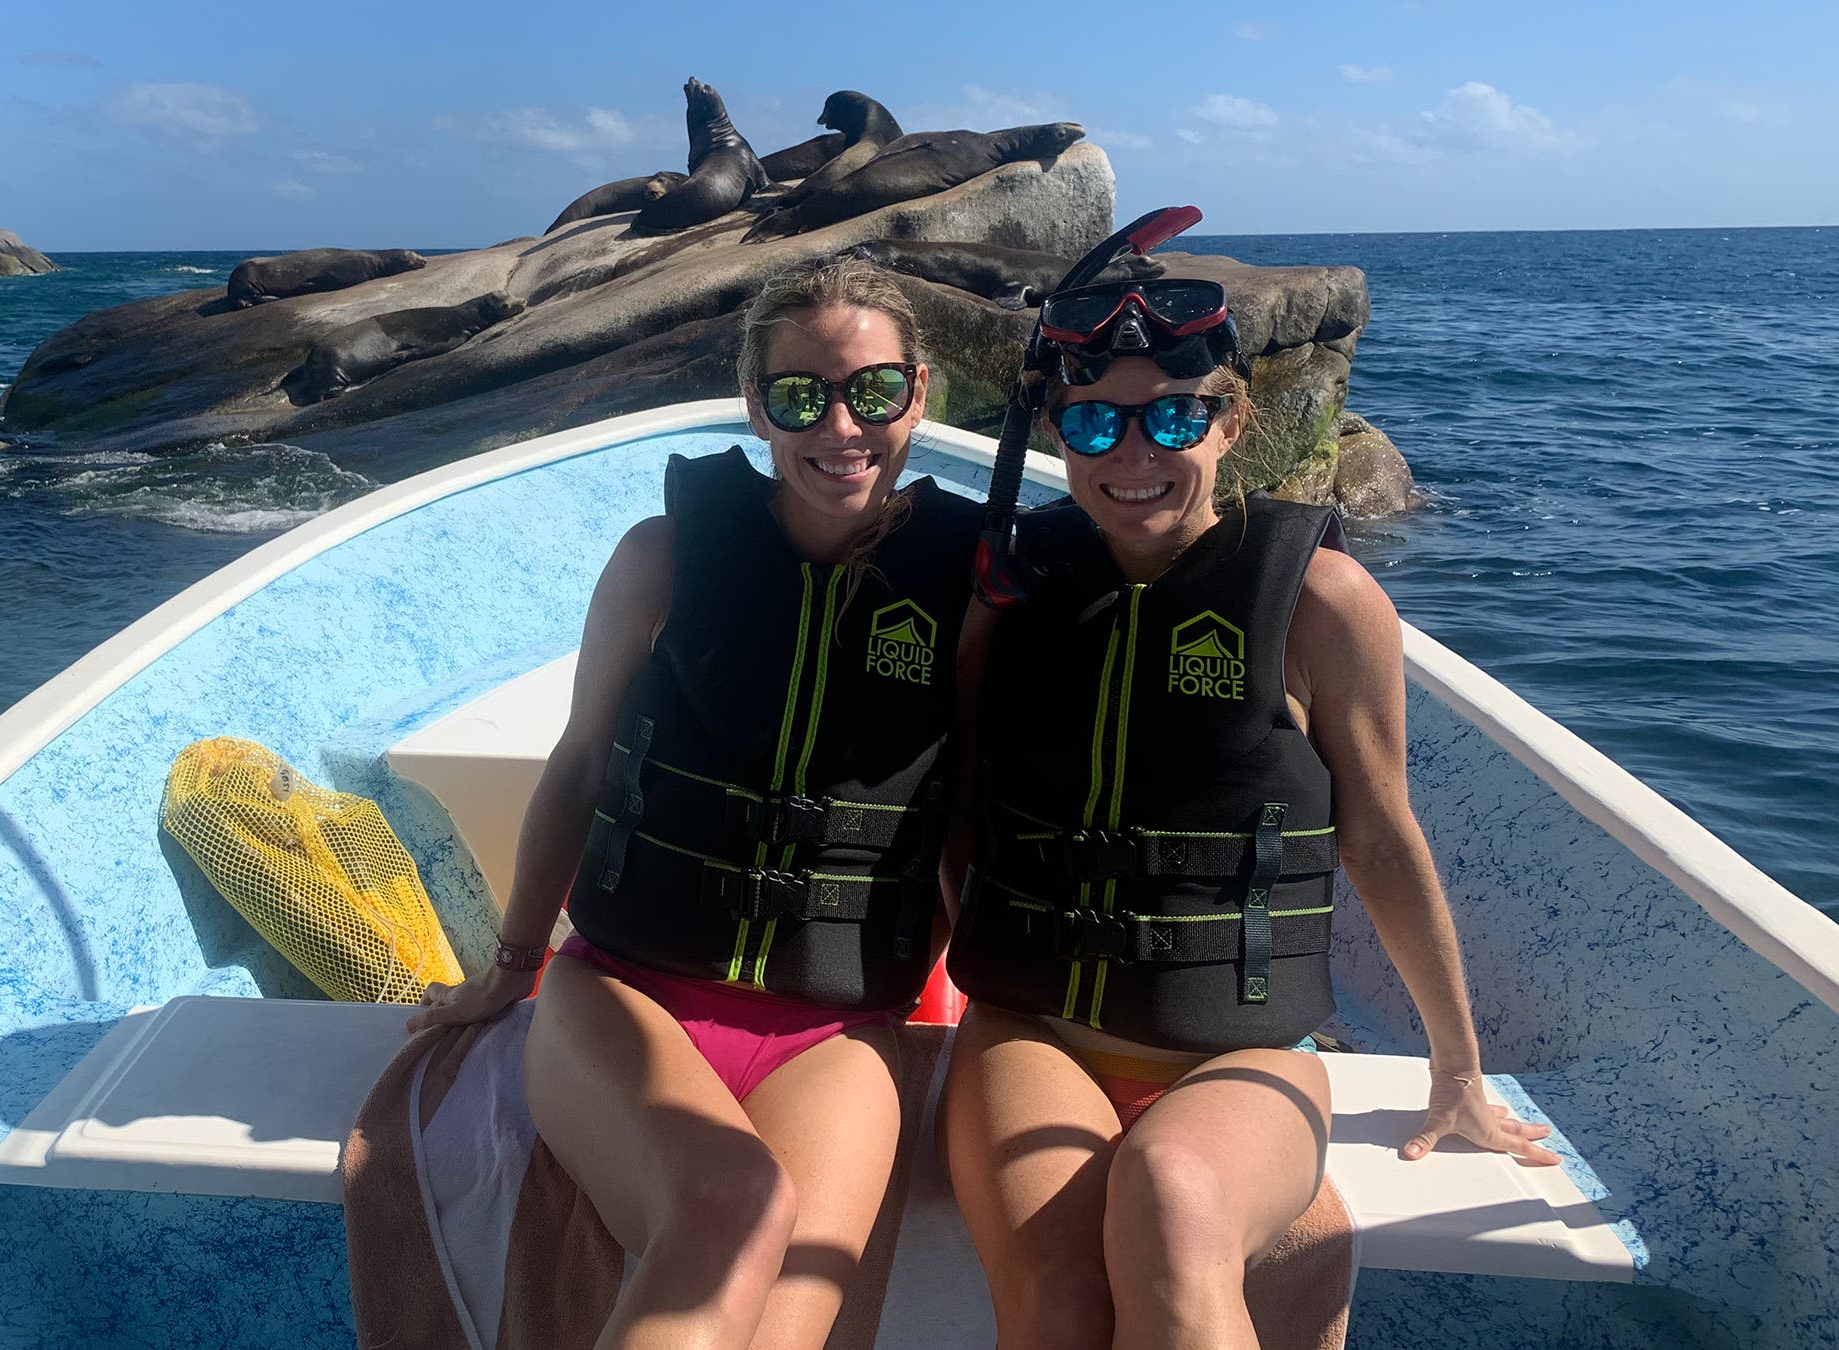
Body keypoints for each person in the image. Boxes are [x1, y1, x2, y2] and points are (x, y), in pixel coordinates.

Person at [942, 211, 1562, 1350]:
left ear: (1232, 422)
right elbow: (958, 802)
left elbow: (1381, 837)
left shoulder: (1319, 601)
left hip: (1241, 1052)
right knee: (1060, 1300)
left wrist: (1457, 1068)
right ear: (1061, 432)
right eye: (1095, 421)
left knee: (1176, 1203)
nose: (1133, 454)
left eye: (1175, 417)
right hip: (1034, 1032)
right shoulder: (1014, 590)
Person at [408, 255, 983, 1350]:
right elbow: (580, 764)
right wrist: (512, 965)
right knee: (733, 1208)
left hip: (837, 1030)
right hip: (626, 994)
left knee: (789, 1324)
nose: (840, 426)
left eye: (873, 390)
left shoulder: (969, 588)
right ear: (756, 406)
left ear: (918, 393)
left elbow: (963, 818)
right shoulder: (663, 557)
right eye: (800, 396)